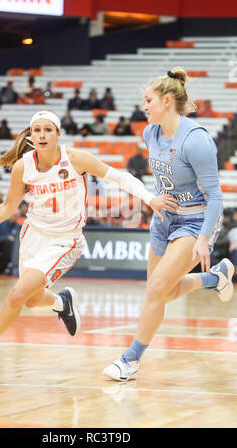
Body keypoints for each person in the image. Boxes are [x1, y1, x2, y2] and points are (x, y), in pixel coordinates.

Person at [0, 109, 178, 374]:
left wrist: (149, 198)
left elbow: (119, 177)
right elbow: (8, 206)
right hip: (33, 236)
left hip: (65, 240)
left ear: (58, 134)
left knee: (16, 295)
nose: (42, 135)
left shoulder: (75, 159)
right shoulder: (24, 166)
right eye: (37, 130)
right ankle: (62, 303)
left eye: (48, 130)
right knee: (32, 301)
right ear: (31, 135)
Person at [102, 67, 235, 382]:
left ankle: (130, 360)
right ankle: (215, 280)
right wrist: (154, 199)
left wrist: (204, 239)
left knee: (155, 290)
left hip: (195, 220)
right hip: (163, 219)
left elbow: (216, 197)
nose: (144, 106)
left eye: (148, 100)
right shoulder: (151, 133)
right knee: (163, 291)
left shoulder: (197, 140)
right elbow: (165, 180)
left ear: (166, 100)